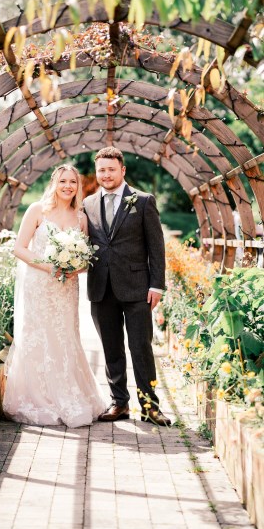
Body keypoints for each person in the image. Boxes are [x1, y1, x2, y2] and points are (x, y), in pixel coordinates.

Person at [3, 164, 107, 428]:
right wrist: (48, 266)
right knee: (38, 335)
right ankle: (38, 397)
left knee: (64, 336)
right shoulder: (37, 210)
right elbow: (19, 248)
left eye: (73, 182)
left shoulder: (81, 218)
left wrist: (76, 269)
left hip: (65, 288)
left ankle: (69, 393)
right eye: (63, 181)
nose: (68, 186)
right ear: (54, 182)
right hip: (39, 284)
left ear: (78, 186)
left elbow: (86, 257)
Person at [83, 147, 171, 426]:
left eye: (111, 169)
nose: (106, 175)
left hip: (137, 287)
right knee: (111, 348)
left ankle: (150, 406)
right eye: (101, 170)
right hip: (101, 287)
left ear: (122, 170)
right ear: (96, 173)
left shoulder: (143, 201)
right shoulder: (87, 204)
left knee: (140, 347)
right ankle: (119, 403)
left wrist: (157, 285)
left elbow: (156, 247)